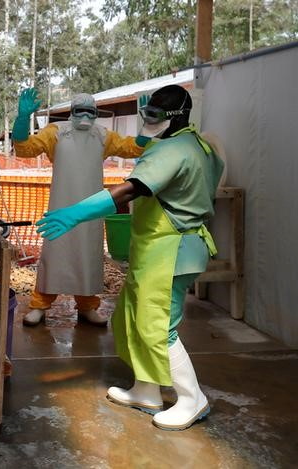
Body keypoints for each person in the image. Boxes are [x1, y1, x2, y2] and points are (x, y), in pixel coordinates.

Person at [35, 84, 224, 430]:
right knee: (131, 319)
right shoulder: (191, 144)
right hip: (154, 250)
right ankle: (146, 390)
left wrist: (76, 212)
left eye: (154, 115)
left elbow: (130, 189)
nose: (148, 121)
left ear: (176, 117)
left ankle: (192, 399)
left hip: (172, 252)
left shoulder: (176, 150)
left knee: (157, 327)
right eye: (145, 113)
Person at [12, 89, 147, 327]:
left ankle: (87, 306)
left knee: (87, 256)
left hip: (90, 209)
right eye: (79, 111)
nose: (85, 116)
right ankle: (40, 304)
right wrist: (22, 119)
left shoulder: (103, 136)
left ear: (96, 113)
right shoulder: (56, 133)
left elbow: (133, 148)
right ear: (71, 112)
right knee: (55, 254)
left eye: (90, 111)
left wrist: (147, 128)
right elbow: (25, 148)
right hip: (61, 206)